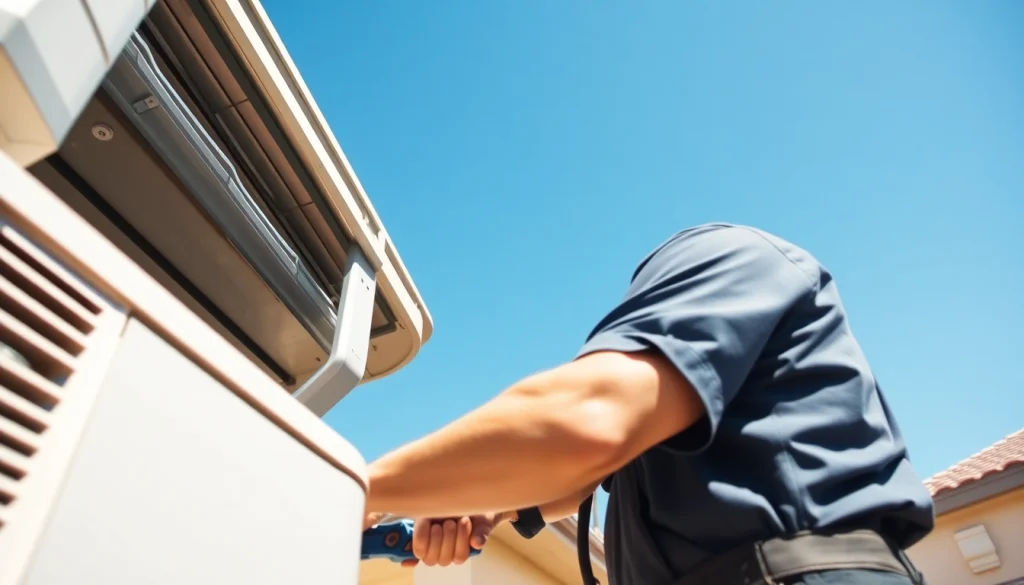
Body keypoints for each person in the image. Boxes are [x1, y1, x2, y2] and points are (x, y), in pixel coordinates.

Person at [362, 223, 934, 585]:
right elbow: (568, 485)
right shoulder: (672, 433)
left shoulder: (719, 255)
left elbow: (584, 424)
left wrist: (359, 488)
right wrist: (488, 504)